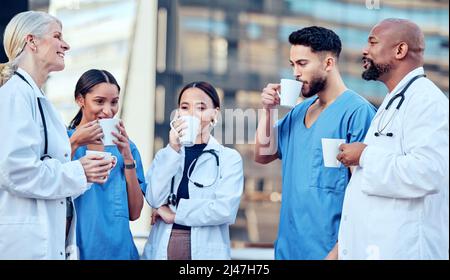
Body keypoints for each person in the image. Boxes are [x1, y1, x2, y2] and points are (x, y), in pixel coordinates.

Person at [254, 26, 376, 260]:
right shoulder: (297, 112)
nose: (295, 73)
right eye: (292, 65)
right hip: (287, 252)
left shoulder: (358, 113)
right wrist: (268, 111)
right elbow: (262, 154)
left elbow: (367, 194)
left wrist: (339, 252)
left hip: (329, 253)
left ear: (328, 64)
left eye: (302, 63)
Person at [0, 11, 113, 260]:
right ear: (32, 41)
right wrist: (79, 171)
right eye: (57, 36)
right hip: (24, 246)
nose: (66, 44)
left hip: (48, 242)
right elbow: (16, 171)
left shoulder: (38, 100)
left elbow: (48, 171)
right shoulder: (14, 96)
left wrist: (86, 171)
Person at [337, 18, 449, 260]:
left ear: (400, 50)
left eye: (373, 42)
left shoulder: (427, 101)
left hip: (405, 251)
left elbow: (428, 172)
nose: (364, 50)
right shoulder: (395, 100)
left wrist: (364, 155)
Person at [142, 81, 244, 260]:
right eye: (185, 107)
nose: (192, 114)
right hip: (163, 245)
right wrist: (173, 149)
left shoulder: (229, 158)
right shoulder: (167, 155)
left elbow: (224, 210)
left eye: (201, 108)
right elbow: (153, 198)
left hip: (206, 251)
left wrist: (174, 215)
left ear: (215, 113)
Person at [67, 69, 147, 260]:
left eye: (114, 102)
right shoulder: (64, 141)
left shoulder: (128, 148)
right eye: (99, 101)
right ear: (80, 100)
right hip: (78, 251)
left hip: (121, 252)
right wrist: (75, 143)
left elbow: (135, 212)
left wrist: (127, 158)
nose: (108, 110)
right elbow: (48, 183)